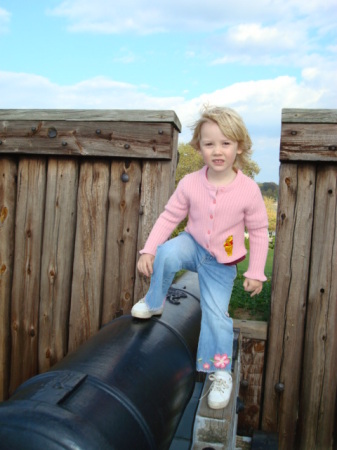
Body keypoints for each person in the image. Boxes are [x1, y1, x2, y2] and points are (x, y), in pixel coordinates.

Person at [131, 106, 269, 409]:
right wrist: (149, 249)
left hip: (221, 262)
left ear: (239, 147)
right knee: (168, 252)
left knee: (216, 316)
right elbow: (169, 217)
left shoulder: (248, 191)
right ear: (199, 147)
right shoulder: (190, 183)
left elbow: (259, 231)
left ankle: (220, 370)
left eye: (226, 143)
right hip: (192, 245)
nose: (217, 151)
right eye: (209, 144)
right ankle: (155, 302)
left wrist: (256, 271)